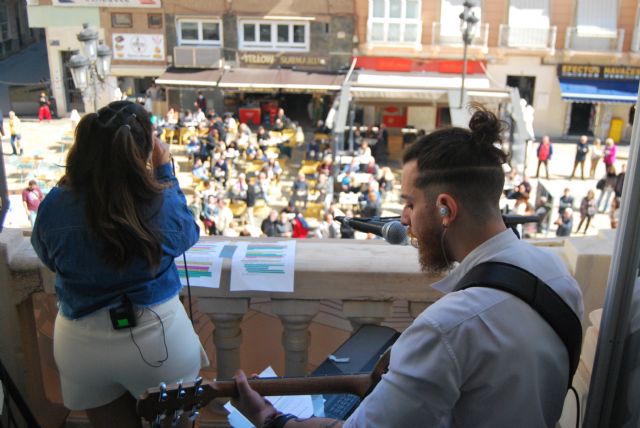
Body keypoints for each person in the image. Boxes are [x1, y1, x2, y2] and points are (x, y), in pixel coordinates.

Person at [231, 106, 583, 427]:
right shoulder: (558, 276)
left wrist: (271, 419)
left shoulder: (447, 328)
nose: (403, 220)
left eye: (410, 204)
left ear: (446, 208)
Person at [30, 101, 208, 427]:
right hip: (159, 339)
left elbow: (47, 257)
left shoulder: (55, 205)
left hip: (82, 344)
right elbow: (187, 234)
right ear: (143, 151)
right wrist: (165, 170)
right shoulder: (157, 200)